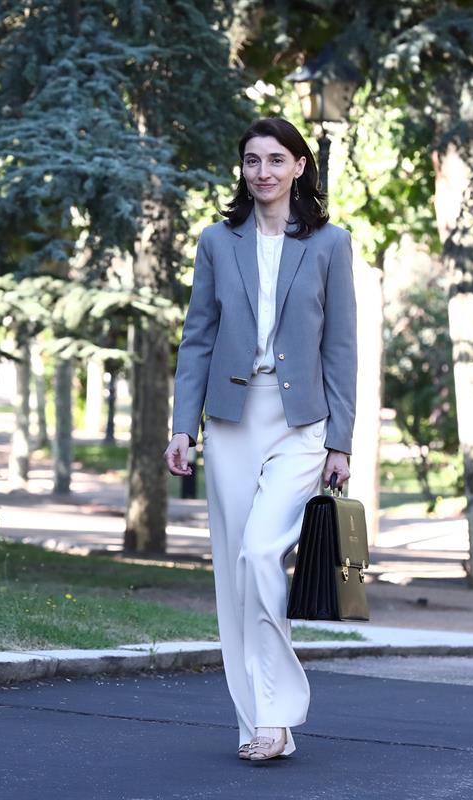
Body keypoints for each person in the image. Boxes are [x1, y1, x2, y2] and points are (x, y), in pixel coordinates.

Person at [164, 117, 357, 762]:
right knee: (234, 577)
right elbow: (197, 338)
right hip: (230, 421)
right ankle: (258, 723)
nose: (264, 172)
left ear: (300, 166)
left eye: (277, 159)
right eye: (252, 161)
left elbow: (341, 347)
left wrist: (342, 440)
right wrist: (181, 426)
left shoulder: (331, 243)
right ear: (242, 170)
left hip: (302, 423)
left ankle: (278, 709)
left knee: (259, 555)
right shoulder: (218, 242)